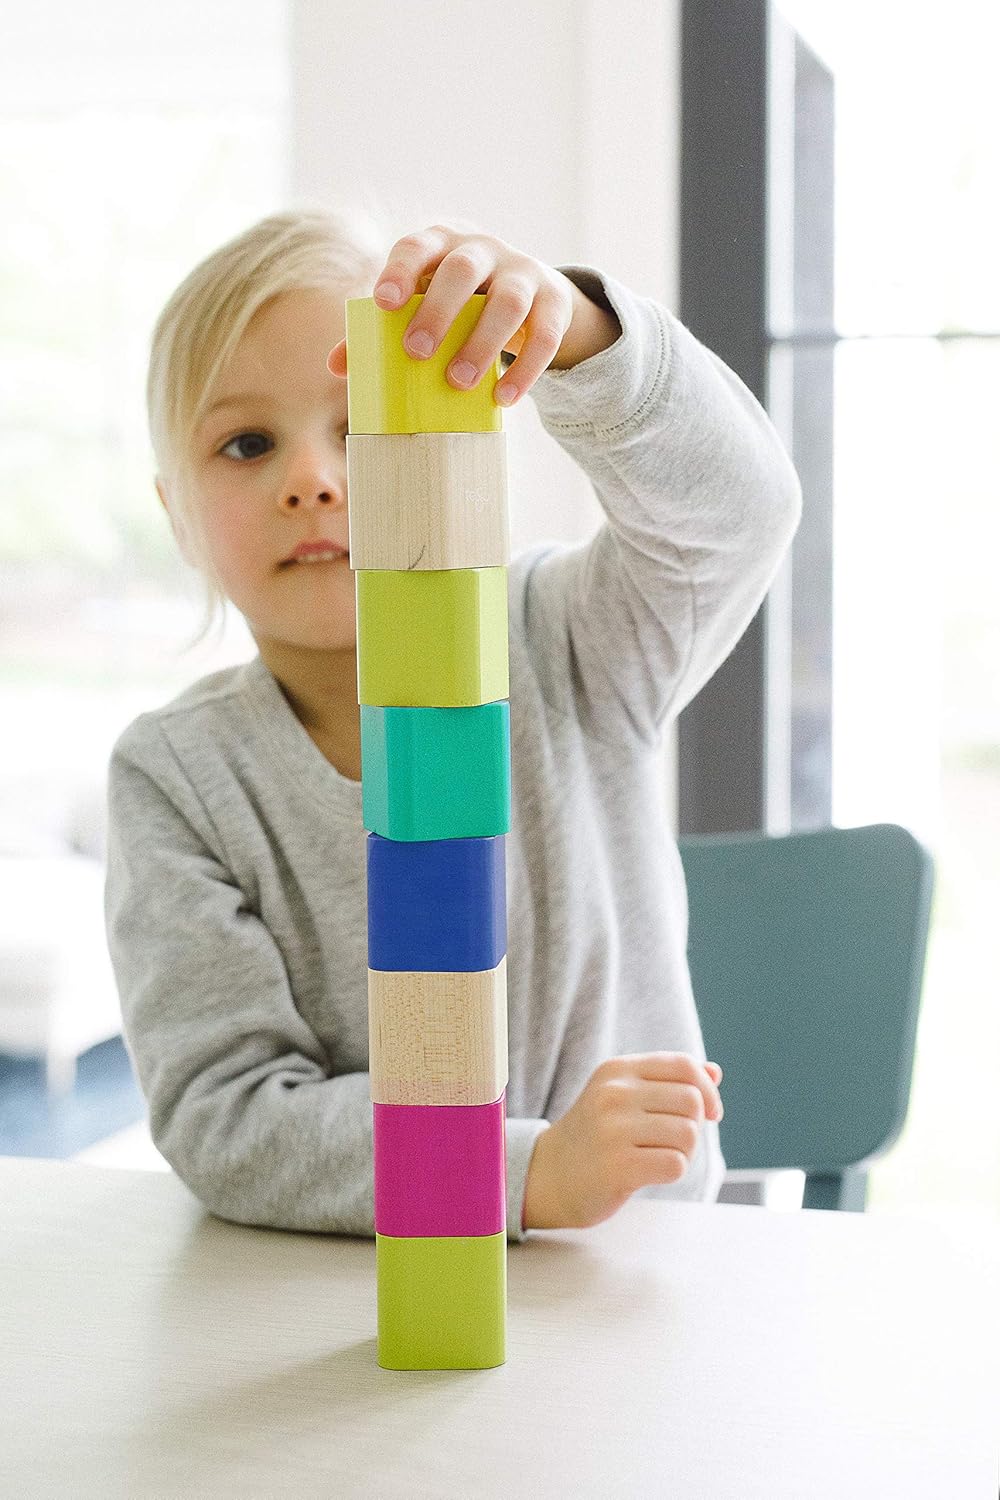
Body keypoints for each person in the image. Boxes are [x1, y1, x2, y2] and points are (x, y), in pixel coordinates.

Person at [104, 203, 802, 1241]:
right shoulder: (177, 775)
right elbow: (230, 1116)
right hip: (347, 1284)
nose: (312, 480)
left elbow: (737, 513)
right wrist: (524, 1170)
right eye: (247, 444)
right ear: (178, 515)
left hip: (636, 1260)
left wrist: (582, 338)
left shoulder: (566, 640)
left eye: (362, 427)